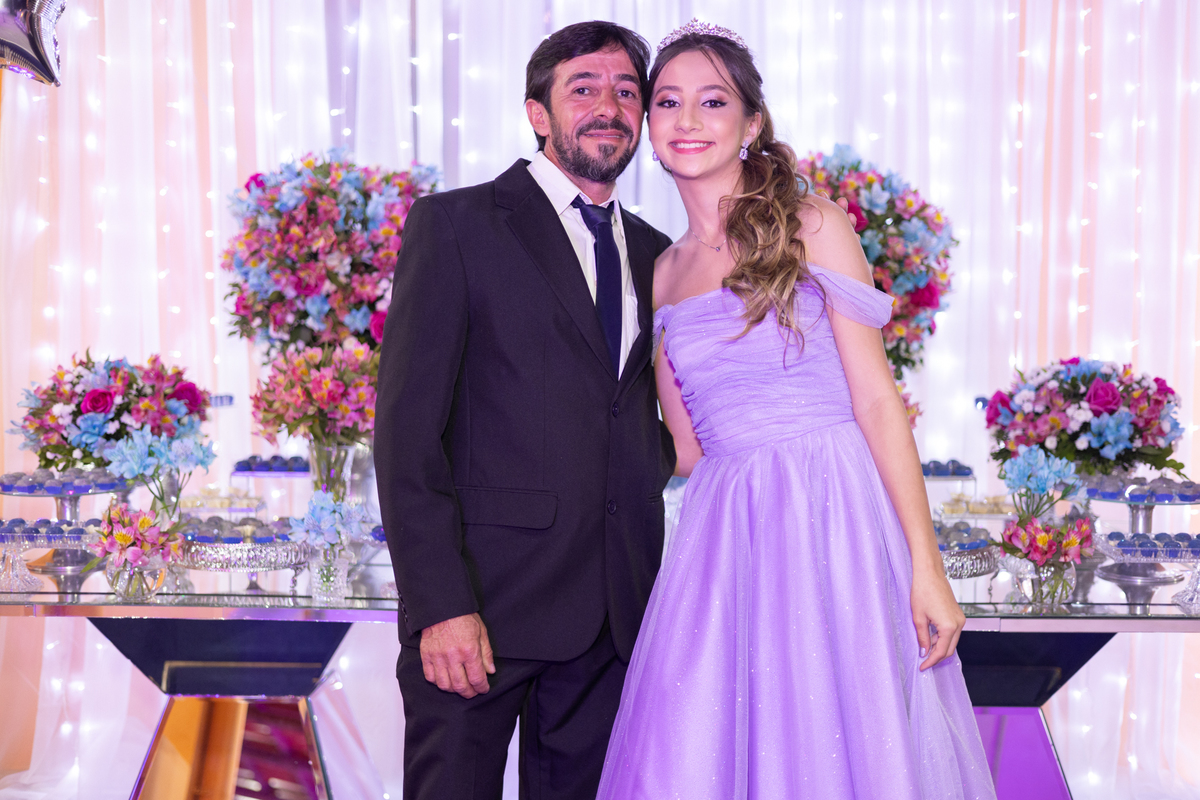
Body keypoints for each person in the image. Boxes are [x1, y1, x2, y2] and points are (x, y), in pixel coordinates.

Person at [596, 21, 997, 800]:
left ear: (752, 123)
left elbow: (877, 401)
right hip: (725, 534)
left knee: (842, 738)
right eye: (668, 101)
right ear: (647, 126)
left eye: (713, 101)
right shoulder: (662, 273)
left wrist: (927, 569)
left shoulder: (813, 225)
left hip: (833, 513)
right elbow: (685, 448)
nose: (687, 119)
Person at [373, 20, 678, 800]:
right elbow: (407, 436)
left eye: (627, 91)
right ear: (538, 113)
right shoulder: (456, 226)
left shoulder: (660, 254)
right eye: (584, 88)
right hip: (481, 611)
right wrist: (440, 605)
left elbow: (638, 421)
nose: (609, 106)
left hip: (613, 617)